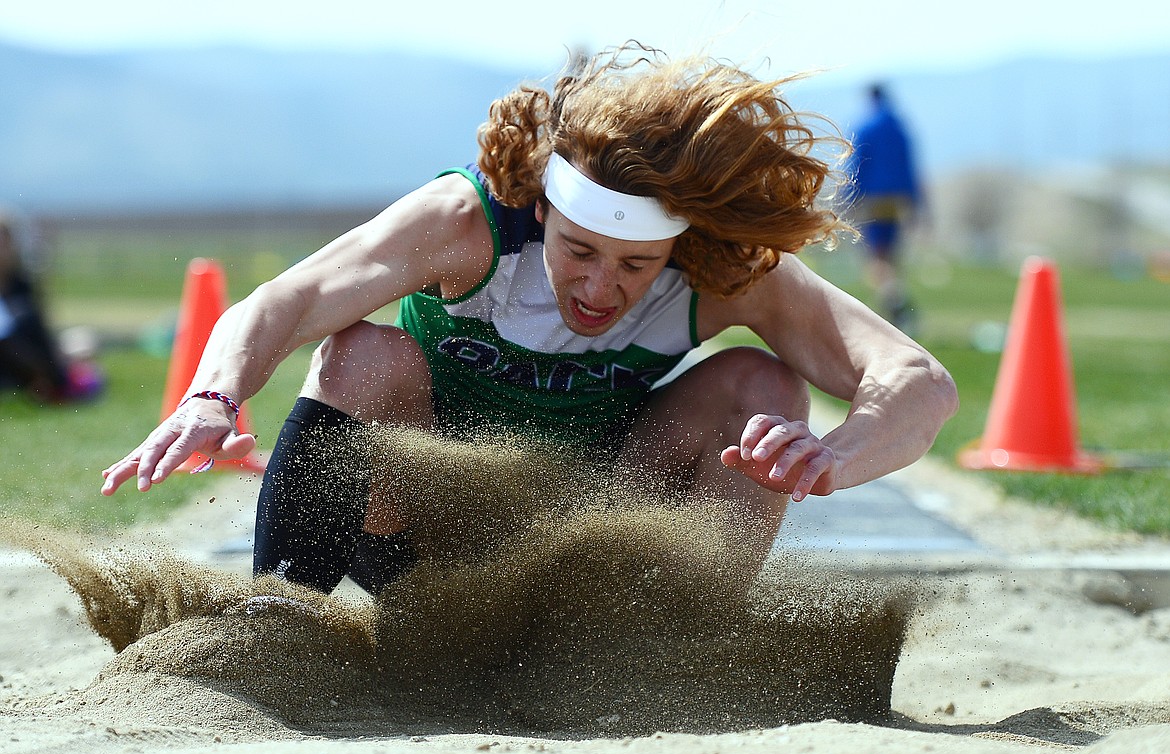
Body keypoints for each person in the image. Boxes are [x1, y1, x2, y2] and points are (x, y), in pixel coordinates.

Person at [100, 44, 957, 596]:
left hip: (590, 533)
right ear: (544, 214)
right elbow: (282, 303)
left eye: (633, 267)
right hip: (422, 530)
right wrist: (213, 397)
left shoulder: (721, 270)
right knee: (362, 353)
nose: (598, 287)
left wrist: (833, 457)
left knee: (762, 385)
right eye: (580, 251)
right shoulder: (461, 225)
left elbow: (918, 382)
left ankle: (681, 645)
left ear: (675, 249)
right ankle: (279, 622)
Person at [844, 83, 923, 332]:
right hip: (898, 199)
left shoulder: (866, 126)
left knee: (876, 256)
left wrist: (848, 196)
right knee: (891, 254)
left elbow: (857, 164)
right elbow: (911, 166)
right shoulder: (901, 127)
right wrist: (916, 202)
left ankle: (894, 299)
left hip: (873, 199)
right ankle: (891, 309)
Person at [0, 213, 102, 403]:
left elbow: (40, 334)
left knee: (83, 340)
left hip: (34, 368)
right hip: (15, 370)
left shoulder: (22, 287)